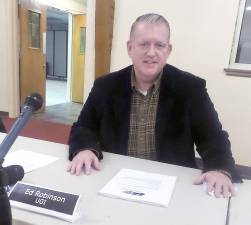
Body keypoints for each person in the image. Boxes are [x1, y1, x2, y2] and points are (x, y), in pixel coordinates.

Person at [68, 13, 241, 198]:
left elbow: (213, 137)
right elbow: (84, 126)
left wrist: (220, 169)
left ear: (168, 49)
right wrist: (85, 148)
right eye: (144, 44)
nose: (151, 52)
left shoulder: (190, 88)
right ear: (130, 47)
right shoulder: (105, 86)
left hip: (171, 186)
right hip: (114, 179)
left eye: (159, 45)